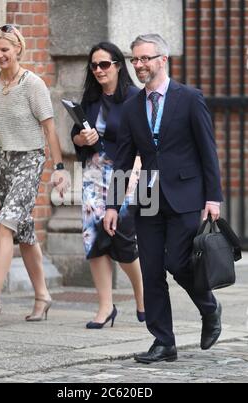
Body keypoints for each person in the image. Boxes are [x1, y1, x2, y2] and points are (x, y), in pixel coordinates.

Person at [104, 34, 223, 362]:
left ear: (162, 60)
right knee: (152, 269)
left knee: (178, 262)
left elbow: (207, 151)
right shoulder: (131, 105)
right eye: (135, 60)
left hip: (186, 194)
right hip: (147, 196)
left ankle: (209, 308)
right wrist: (113, 205)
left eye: (145, 58)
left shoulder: (189, 98)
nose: (139, 65)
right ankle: (163, 341)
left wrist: (212, 198)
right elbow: (124, 159)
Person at [0, 25, 69, 325]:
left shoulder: (33, 84)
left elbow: (50, 129)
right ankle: (42, 295)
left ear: (18, 49)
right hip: (2, 161)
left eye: (5, 49)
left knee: (5, 225)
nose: (0, 55)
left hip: (30, 160)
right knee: (24, 230)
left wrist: (59, 168)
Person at [71, 42, 145, 329]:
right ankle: (105, 307)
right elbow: (75, 136)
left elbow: (144, 143)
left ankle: (141, 294)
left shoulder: (135, 99)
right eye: (94, 66)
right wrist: (81, 140)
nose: (99, 70)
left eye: (104, 64)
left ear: (117, 65)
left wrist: (133, 179)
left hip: (124, 175)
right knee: (94, 239)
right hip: (93, 176)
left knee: (122, 239)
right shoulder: (89, 100)